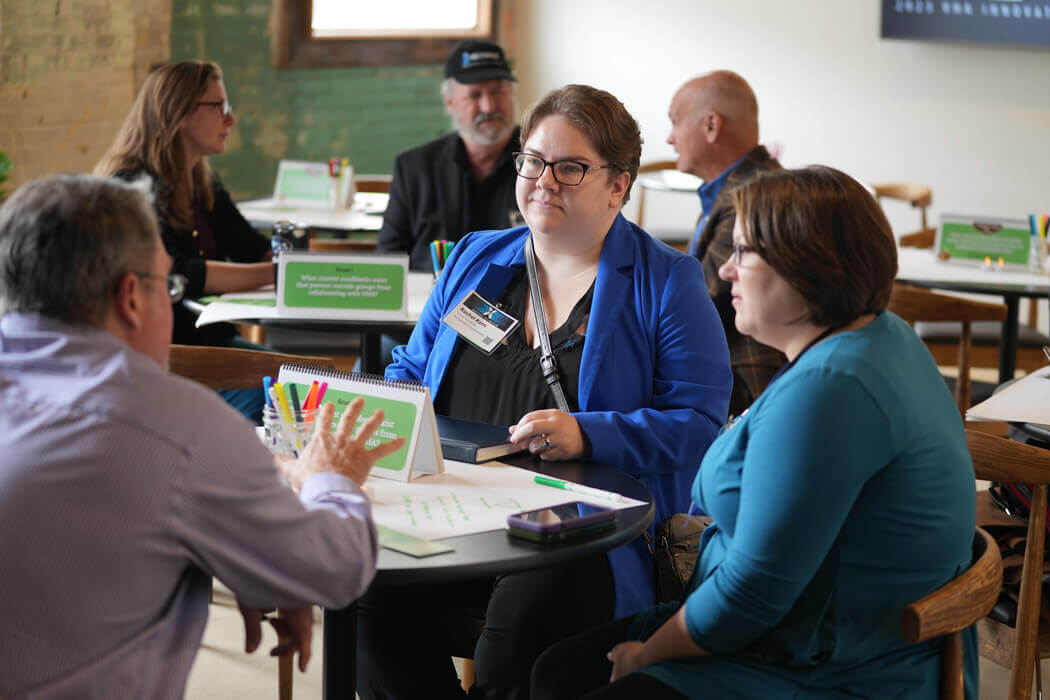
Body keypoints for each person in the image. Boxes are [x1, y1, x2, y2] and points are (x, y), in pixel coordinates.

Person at [531, 166, 978, 700]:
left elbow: (752, 597)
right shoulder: (882, 337)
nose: (725, 271)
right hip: (817, 635)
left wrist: (648, 655)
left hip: (821, 668)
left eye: (744, 252)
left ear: (808, 267)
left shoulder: (834, 389)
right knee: (557, 668)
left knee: (566, 672)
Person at [357, 85, 732, 700]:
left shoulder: (667, 282)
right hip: (451, 515)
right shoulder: (476, 258)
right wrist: (368, 415)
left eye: (571, 167)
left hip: (579, 534)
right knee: (363, 589)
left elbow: (697, 422)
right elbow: (410, 372)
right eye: (532, 161)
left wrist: (589, 432)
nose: (543, 180)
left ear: (619, 185)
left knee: (520, 632)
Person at [0, 174, 405, 698]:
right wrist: (331, 479)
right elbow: (333, 571)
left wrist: (240, 554)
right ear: (130, 297)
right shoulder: (173, 426)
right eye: (168, 285)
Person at [95, 60, 273, 349]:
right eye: (219, 107)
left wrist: (288, 258)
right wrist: (275, 273)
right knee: (294, 388)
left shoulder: (202, 181)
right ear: (178, 113)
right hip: (167, 356)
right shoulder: (130, 185)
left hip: (214, 345)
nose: (231, 119)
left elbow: (249, 246)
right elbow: (177, 273)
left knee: (306, 378)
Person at [667, 70, 786, 416]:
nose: (669, 138)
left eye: (675, 122)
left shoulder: (750, 199)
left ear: (711, 126)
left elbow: (697, 306)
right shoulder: (741, 186)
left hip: (743, 383)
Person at [376, 39, 522, 271]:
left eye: (498, 92)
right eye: (474, 95)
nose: (488, 106)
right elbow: (388, 261)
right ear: (450, 103)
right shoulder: (415, 168)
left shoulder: (542, 164)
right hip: (431, 300)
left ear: (512, 95)